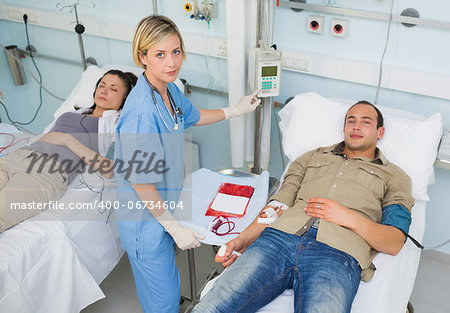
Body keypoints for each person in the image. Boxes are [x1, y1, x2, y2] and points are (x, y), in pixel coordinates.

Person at [193, 101, 415, 313]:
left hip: (338, 253)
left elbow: (394, 241)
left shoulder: (395, 176)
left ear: (380, 132)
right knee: (211, 307)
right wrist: (244, 238)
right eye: (351, 120)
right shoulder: (311, 157)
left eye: (366, 122)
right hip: (277, 239)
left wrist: (347, 217)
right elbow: (279, 204)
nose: (356, 126)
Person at [114, 15, 261, 313]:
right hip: (145, 221)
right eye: (160, 54)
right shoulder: (141, 114)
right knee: (164, 302)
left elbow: (193, 116)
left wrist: (235, 110)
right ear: (142, 57)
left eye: (176, 52)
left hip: (163, 207)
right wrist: (173, 227)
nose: (171, 63)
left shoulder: (168, 89)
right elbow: (141, 182)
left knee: (163, 292)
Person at [0, 69, 137, 233]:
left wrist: (67, 140)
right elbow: (48, 135)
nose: (104, 91)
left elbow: (108, 169)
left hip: (46, 172)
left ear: (124, 99)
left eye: (114, 89)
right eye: (102, 85)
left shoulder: (116, 126)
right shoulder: (72, 113)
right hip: (16, 158)